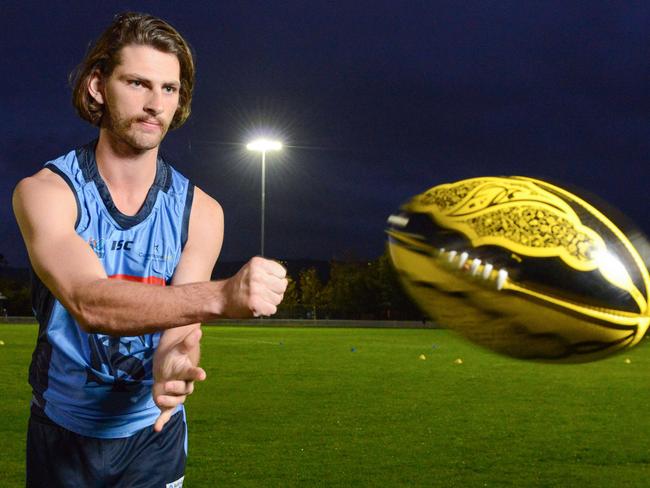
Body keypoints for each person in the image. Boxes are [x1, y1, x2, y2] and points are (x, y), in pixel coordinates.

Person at [12, 12, 287, 487]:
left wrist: (176, 360)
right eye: (138, 83)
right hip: (62, 433)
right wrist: (222, 297)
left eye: (169, 89)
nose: (154, 104)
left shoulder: (201, 211)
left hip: (152, 437)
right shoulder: (47, 192)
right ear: (99, 86)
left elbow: (182, 327)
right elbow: (87, 299)